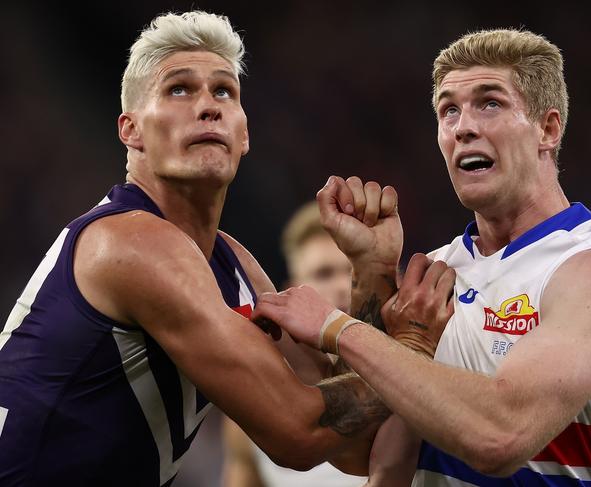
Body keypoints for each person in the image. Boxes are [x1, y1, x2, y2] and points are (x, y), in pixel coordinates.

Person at [0, 11, 439, 486]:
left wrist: (370, 270)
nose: (207, 106)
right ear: (130, 131)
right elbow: (299, 432)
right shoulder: (129, 244)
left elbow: (354, 445)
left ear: (244, 134)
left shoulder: (232, 265)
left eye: (224, 91)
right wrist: (411, 348)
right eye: (179, 89)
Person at [252, 28, 591, 486]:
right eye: (449, 110)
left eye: (490, 103)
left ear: (548, 128)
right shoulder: (436, 272)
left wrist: (339, 329)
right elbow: (357, 449)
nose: (463, 127)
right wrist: (373, 271)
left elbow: (499, 437)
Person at [222, 200, 366, 487]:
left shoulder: (402, 384)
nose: (341, 286)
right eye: (323, 273)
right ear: (293, 288)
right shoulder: (256, 403)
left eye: (352, 273)